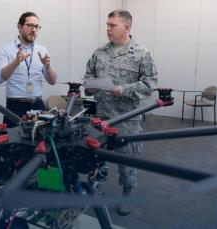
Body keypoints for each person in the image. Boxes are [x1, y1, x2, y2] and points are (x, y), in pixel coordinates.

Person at [84, 9, 158, 216]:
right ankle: (95, 190)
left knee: (127, 159)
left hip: (127, 118)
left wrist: (124, 89)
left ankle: (129, 190)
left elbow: (150, 84)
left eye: (112, 25)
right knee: (98, 157)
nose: (107, 29)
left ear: (126, 27)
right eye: (107, 25)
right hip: (101, 116)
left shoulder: (141, 54)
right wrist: (89, 87)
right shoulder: (99, 53)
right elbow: (88, 75)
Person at [0, 12, 57, 128]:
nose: (34, 30)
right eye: (30, 25)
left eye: (36, 27)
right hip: (15, 107)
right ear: (19, 26)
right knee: (15, 143)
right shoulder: (6, 50)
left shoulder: (42, 50)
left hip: (38, 105)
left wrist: (47, 68)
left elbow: (53, 81)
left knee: (40, 142)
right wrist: (14, 63)